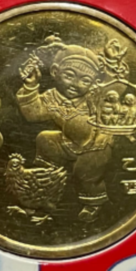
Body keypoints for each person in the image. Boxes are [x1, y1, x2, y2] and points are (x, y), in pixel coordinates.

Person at [16, 44, 113, 222]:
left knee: (85, 172)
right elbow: (33, 114)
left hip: (94, 145)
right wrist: (31, 86)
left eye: (85, 80)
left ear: (93, 83)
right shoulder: (51, 97)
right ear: (55, 72)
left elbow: (113, 95)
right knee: (45, 138)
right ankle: (47, 189)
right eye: (69, 76)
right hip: (67, 142)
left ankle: (93, 204)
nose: (75, 84)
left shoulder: (93, 98)